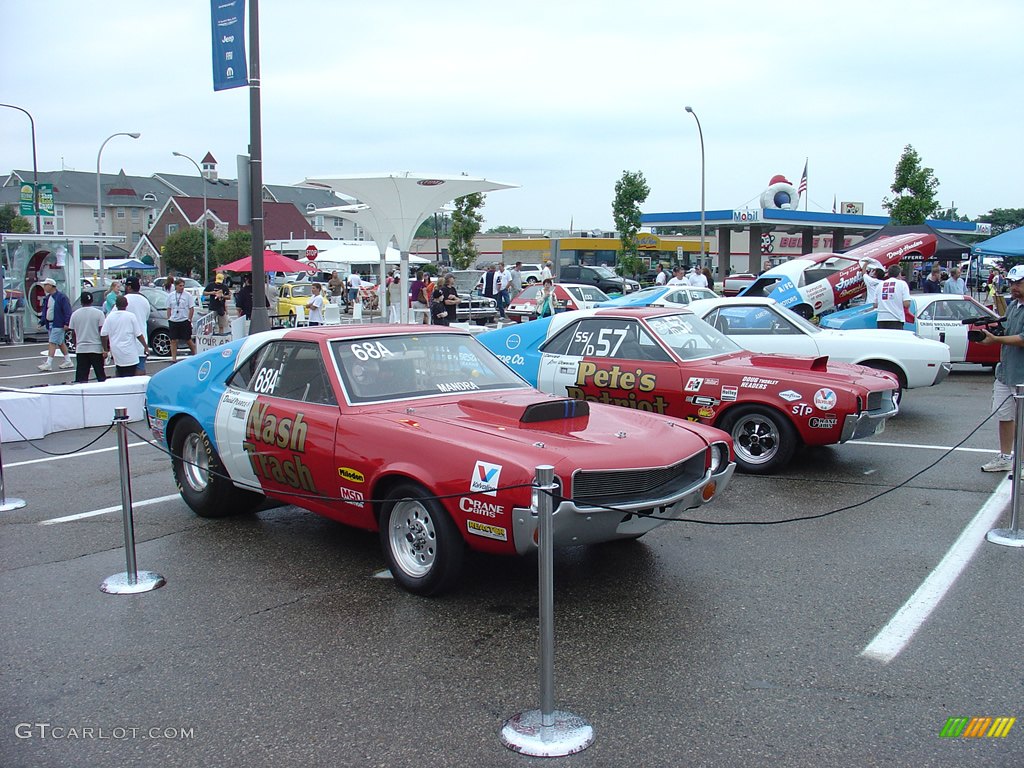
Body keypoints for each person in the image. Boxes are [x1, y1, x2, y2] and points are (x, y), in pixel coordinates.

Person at [979, 264, 1024, 472]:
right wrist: (995, 330)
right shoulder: (1014, 305)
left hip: (1022, 375)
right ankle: (1006, 457)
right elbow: (1010, 331)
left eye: (1019, 283)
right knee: (1004, 416)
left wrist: (996, 338)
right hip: (1006, 372)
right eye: (1013, 283)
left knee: (1022, 420)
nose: (1015, 288)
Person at [101, 295, 148, 378]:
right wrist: (145, 346)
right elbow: (138, 335)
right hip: (129, 350)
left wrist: (105, 349)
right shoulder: (131, 316)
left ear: (116, 305)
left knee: (119, 370)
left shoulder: (110, 317)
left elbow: (103, 335)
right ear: (127, 305)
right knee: (131, 374)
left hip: (116, 350)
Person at [68, 290, 106, 383]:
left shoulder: (75, 314)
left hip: (81, 348)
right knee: (100, 375)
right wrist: (104, 348)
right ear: (92, 301)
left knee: (81, 377)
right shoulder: (99, 313)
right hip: (96, 348)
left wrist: (76, 344)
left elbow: (73, 332)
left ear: (81, 302)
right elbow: (102, 332)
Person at [37, 278, 75, 371]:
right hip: (51, 323)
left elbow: (67, 311)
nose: (44, 287)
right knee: (60, 342)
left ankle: (48, 363)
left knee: (52, 342)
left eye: (46, 285)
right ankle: (68, 361)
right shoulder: (48, 298)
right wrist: (41, 322)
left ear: (51, 286)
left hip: (58, 323)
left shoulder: (61, 297)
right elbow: (45, 311)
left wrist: (67, 322)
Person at [123, 276, 151, 372]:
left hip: (126, 343)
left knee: (124, 372)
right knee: (140, 368)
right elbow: (146, 317)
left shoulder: (123, 300)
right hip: (142, 342)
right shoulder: (145, 300)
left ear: (129, 287)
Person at [167, 278, 197, 362]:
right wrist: (169, 318)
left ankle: (195, 354)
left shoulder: (187, 295)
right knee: (173, 340)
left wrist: (189, 319)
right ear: (176, 286)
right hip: (174, 320)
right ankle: (174, 358)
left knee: (188, 339)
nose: (182, 287)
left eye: (183, 286)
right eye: (180, 286)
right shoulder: (171, 295)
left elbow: (191, 308)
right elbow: (169, 308)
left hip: (184, 320)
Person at [875, 265, 911, 330]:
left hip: (881, 318)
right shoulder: (902, 284)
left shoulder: (880, 285)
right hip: (896, 318)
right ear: (899, 274)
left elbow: (875, 304)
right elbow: (906, 304)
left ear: (888, 274)